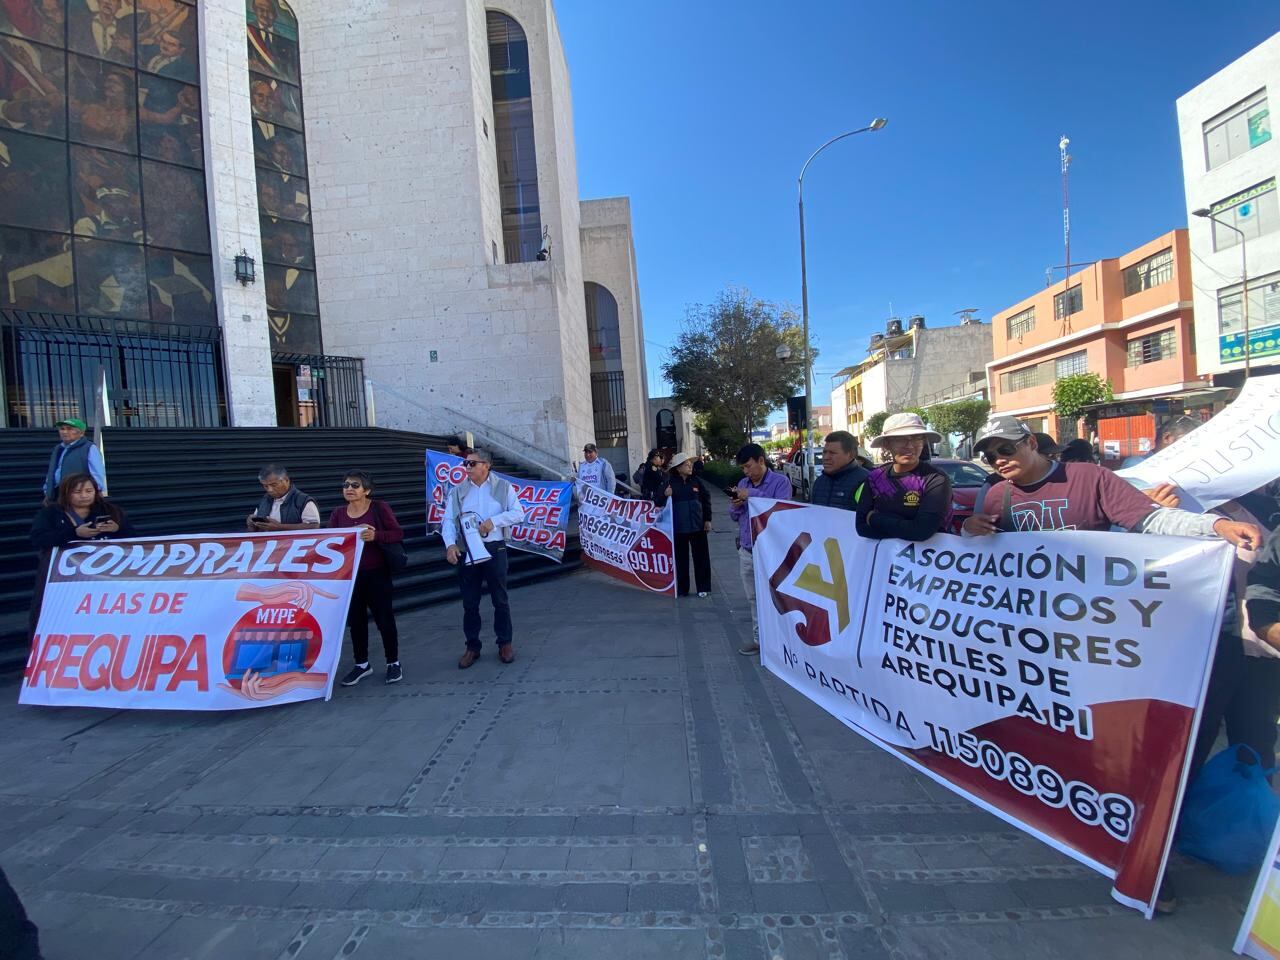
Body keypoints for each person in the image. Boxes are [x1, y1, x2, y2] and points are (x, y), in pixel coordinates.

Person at [962, 415, 1260, 547]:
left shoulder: (1089, 477)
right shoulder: (995, 494)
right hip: (1027, 612)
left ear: (1031, 443)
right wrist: (967, 529)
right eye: (989, 456)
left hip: (1089, 609)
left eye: (1006, 449)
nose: (998, 459)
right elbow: (981, 551)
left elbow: (1152, 520)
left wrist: (1217, 526)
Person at [442, 449, 527, 668]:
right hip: (468, 551)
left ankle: (505, 643)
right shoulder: (457, 491)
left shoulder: (503, 487)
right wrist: (450, 543)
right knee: (470, 602)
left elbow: (519, 513)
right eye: (465, 464)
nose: (467, 468)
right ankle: (472, 647)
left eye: (472, 464)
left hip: (494, 549)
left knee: (500, 599)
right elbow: (448, 521)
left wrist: (495, 521)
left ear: (486, 465)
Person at [29, 473, 135, 641]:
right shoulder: (51, 513)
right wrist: (74, 533)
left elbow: (134, 540)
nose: (84, 496)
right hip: (61, 579)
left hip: (102, 579)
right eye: (77, 492)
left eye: (88, 491)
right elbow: (38, 538)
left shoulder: (111, 511)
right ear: (66, 493)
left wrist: (117, 530)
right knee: (56, 614)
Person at [330, 471, 405, 686]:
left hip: (377, 573)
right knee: (357, 622)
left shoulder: (379, 508)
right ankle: (361, 664)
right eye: (346, 485)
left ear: (367, 490)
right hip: (351, 575)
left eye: (355, 485)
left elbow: (397, 533)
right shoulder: (338, 513)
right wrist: (351, 532)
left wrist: (376, 536)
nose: (349, 489)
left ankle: (393, 662)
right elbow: (330, 540)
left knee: (384, 619)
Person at [729, 443, 792, 656]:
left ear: (761, 461)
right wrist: (736, 505)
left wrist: (752, 494)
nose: (746, 472)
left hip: (772, 552)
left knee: (777, 596)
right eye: (743, 469)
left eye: (748, 466)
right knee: (753, 597)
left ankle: (783, 639)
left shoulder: (780, 482)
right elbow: (735, 515)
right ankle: (760, 639)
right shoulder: (742, 484)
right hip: (747, 549)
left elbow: (782, 508)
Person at [856, 413, 953, 542]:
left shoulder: (935, 479)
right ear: (886, 444)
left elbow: (922, 531)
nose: (910, 446)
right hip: (885, 559)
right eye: (900, 439)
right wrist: (906, 526)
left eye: (917, 438)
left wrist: (874, 518)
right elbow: (861, 528)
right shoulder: (874, 477)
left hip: (927, 560)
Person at [665, 451, 712, 597]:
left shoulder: (697, 481)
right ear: (678, 468)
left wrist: (707, 520)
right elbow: (658, 501)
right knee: (681, 560)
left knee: (702, 558)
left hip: (698, 527)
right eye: (686, 464)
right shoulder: (670, 483)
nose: (690, 466)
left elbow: (706, 500)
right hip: (679, 529)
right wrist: (665, 494)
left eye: (690, 464)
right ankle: (682, 589)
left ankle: (703, 588)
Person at [42, 417, 105, 503]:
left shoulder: (89, 448)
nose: (64, 432)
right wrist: (48, 492)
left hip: (78, 496)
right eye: (62, 429)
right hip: (58, 495)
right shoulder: (59, 449)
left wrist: (97, 491)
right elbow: (52, 471)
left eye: (69, 429)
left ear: (81, 433)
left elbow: (97, 473)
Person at [247, 464, 319, 531]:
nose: (269, 490)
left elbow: (314, 526)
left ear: (286, 480)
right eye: (265, 486)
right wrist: (251, 525)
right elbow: (254, 531)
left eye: (274, 485)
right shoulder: (264, 500)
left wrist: (279, 527)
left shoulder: (303, 500)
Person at [810, 430, 869, 512]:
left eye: (832, 453)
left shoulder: (867, 482)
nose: (826, 457)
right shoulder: (819, 482)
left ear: (850, 455)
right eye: (824, 452)